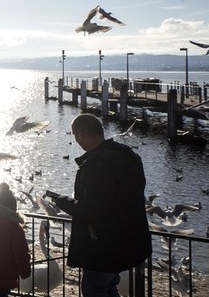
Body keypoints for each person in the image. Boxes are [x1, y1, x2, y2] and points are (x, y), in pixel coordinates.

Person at [45, 114, 151, 297]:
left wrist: (63, 202)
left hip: (104, 248)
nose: (76, 141)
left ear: (80, 134)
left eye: (75, 136)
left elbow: (92, 210)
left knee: (94, 289)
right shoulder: (129, 155)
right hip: (129, 241)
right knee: (109, 287)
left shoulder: (97, 165)